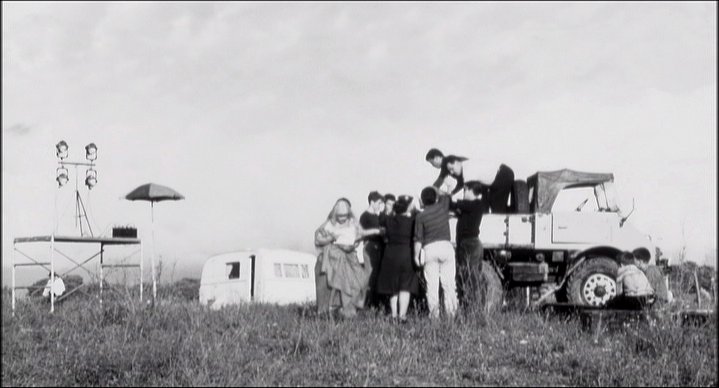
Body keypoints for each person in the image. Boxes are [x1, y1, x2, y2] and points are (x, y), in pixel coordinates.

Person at [314, 198, 382, 318]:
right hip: (334, 256)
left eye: (344, 215)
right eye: (340, 216)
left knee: (357, 282)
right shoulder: (330, 223)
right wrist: (331, 238)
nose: (342, 218)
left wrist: (374, 232)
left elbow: (360, 234)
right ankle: (333, 311)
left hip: (350, 256)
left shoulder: (353, 222)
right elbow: (318, 239)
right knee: (336, 282)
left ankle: (348, 310)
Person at [414, 186, 458, 319]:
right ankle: (451, 315)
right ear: (435, 198)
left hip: (429, 249)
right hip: (446, 246)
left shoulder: (420, 216)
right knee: (449, 284)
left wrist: (416, 256)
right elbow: (445, 194)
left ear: (422, 200)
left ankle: (434, 317)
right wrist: (437, 190)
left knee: (432, 286)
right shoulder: (442, 208)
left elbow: (418, 239)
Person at [376, 195, 420, 323]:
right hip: (406, 253)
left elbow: (381, 219)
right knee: (405, 286)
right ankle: (402, 316)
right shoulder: (413, 220)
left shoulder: (388, 220)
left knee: (392, 286)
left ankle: (394, 314)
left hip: (390, 254)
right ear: (408, 207)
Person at [451, 181, 489, 311]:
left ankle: (474, 309)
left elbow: (452, 204)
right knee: (469, 276)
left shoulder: (475, 204)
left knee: (470, 276)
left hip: (469, 243)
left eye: (464, 191)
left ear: (470, 190)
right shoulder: (474, 206)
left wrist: (446, 195)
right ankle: (472, 308)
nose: (463, 193)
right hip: (469, 243)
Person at [360, 191, 387, 310]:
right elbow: (360, 233)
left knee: (377, 275)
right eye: (379, 203)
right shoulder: (365, 216)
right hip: (371, 246)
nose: (380, 205)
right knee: (370, 274)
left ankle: (374, 303)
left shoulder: (378, 216)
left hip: (379, 246)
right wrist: (376, 231)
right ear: (372, 202)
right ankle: (365, 302)